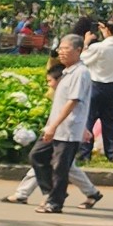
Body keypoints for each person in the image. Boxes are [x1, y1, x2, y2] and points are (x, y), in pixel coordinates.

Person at [32, 32, 96, 213]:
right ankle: (50, 193)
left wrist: (54, 125)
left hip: (68, 129)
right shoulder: (67, 72)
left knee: (60, 167)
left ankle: (55, 202)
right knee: (37, 155)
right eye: (60, 48)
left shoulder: (81, 73)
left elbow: (73, 102)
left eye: (66, 48)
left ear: (78, 50)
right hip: (56, 127)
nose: (61, 52)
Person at [81, 19, 113, 162]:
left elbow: (83, 59)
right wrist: (107, 32)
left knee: (89, 119)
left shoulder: (98, 47)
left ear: (108, 30)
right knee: (108, 120)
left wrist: (86, 42)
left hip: (96, 85)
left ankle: (85, 153)